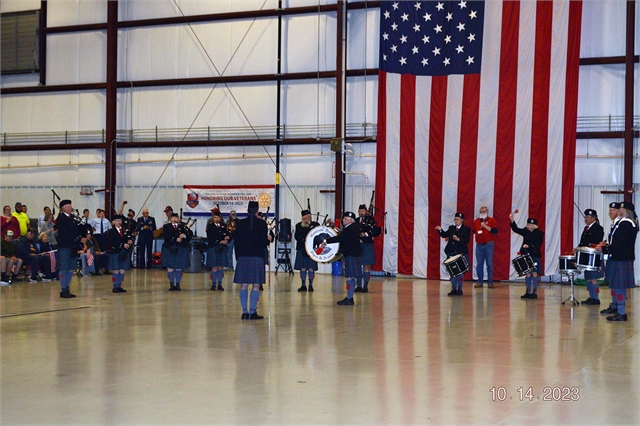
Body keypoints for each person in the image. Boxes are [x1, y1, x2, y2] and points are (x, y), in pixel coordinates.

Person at [597, 201, 637, 321]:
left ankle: (621, 312)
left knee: (619, 286)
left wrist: (604, 249)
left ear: (626, 211)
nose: (618, 211)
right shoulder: (622, 223)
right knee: (614, 285)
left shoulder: (626, 224)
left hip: (621, 258)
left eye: (621, 209)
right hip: (617, 257)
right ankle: (616, 308)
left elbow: (619, 244)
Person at [233, 201, 272, 319]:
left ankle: (244, 312)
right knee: (255, 285)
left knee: (243, 285)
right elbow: (263, 243)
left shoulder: (240, 224)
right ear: (257, 210)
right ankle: (252, 312)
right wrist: (269, 239)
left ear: (247, 210)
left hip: (243, 257)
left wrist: (238, 257)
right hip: (256, 257)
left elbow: (237, 242)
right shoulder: (261, 224)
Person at [323, 211, 363, 305]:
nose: (343, 220)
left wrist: (326, 241)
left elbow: (340, 238)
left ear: (351, 220)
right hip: (353, 254)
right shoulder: (353, 228)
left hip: (351, 254)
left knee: (350, 277)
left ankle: (349, 298)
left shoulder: (350, 229)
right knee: (350, 276)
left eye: (345, 218)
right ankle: (349, 297)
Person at [509, 214, 544, 299]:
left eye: (529, 224)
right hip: (526, 254)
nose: (528, 226)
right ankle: (528, 291)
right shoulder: (526, 231)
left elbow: (538, 244)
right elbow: (516, 229)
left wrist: (529, 246)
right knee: (527, 273)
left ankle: (534, 292)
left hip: (534, 254)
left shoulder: (539, 233)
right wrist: (512, 221)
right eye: (527, 224)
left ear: (533, 225)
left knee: (534, 272)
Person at [436, 212, 471, 296]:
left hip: (460, 253)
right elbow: (445, 234)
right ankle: (453, 289)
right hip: (451, 252)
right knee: (452, 272)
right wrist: (440, 230)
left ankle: (460, 289)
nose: (456, 221)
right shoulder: (451, 228)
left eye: (458, 219)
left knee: (460, 272)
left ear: (462, 220)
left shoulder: (466, 229)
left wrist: (459, 239)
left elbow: (466, 240)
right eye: (455, 219)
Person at [56, 199, 85, 298]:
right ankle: (63, 289)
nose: (70, 208)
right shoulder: (60, 219)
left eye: (70, 206)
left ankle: (67, 287)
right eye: (68, 206)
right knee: (64, 268)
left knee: (71, 268)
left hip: (73, 246)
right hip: (64, 245)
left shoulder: (72, 218)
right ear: (63, 208)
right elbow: (65, 232)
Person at [576, 209, 604, 305]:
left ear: (593, 218)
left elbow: (596, 241)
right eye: (585, 217)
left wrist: (586, 246)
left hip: (593, 256)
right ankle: (591, 297)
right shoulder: (586, 228)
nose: (586, 219)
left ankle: (596, 298)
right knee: (587, 277)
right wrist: (578, 247)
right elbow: (582, 241)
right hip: (585, 255)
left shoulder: (598, 228)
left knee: (593, 278)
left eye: (587, 217)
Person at [162, 213, 192, 291]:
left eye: (176, 217)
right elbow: (166, 236)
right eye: (173, 217)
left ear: (178, 219)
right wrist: (175, 239)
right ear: (170, 219)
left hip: (180, 248)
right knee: (170, 267)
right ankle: (171, 284)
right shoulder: (166, 227)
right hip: (169, 248)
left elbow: (189, 234)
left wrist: (184, 236)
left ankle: (178, 284)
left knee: (179, 267)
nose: (174, 219)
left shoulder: (182, 227)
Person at [356, 204, 381, 293]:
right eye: (360, 211)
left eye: (363, 211)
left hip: (367, 244)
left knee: (366, 265)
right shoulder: (356, 221)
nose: (361, 213)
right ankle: (358, 285)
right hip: (358, 245)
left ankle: (365, 285)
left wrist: (366, 234)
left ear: (366, 211)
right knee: (357, 266)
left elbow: (375, 230)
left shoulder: (370, 220)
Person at [106, 215, 134, 293]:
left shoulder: (125, 231)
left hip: (124, 252)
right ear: (113, 222)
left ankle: (119, 285)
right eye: (117, 221)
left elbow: (129, 238)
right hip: (116, 252)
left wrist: (130, 241)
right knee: (116, 270)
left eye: (120, 221)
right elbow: (111, 242)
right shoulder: (111, 231)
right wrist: (122, 245)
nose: (119, 222)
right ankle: (115, 286)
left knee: (122, 270)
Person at [473, 206, 498, 289]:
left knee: (489, 264)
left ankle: (490, 282)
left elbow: (495, 231)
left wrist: (485, 226)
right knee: (479, 264)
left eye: (484, 211)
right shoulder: (476, 221)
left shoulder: (491, 220)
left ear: (487, 212)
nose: (482, 213)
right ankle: (480, 281)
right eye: (481, 211)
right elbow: (474, 231)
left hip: (488, 245)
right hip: (479, 245)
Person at [294, 209, 319, 292]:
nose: (304, 220)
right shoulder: (298, 226)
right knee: (302, 268)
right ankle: (303, 285)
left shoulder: (315, 225)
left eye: (306, 218)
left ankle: (311, 285)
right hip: (301, 248)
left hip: (312, 250)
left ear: (310, 217)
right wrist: (304, 239)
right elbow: (297, 236)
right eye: (303, 218)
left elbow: (318, 235)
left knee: (311, 268)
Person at [206, 208, 230, 291]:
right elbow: (210, 237)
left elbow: (227, 235)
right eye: (215, 217)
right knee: (214, 267)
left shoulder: (223, 226)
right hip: (213, 247)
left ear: (220, 218)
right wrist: (220, 241)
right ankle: (213, 284)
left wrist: (228, 238)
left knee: (220, 266)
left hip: (222, 248)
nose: (216, 219)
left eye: (218, 217)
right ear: (213, 218)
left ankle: (220, 284)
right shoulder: (210, 226)